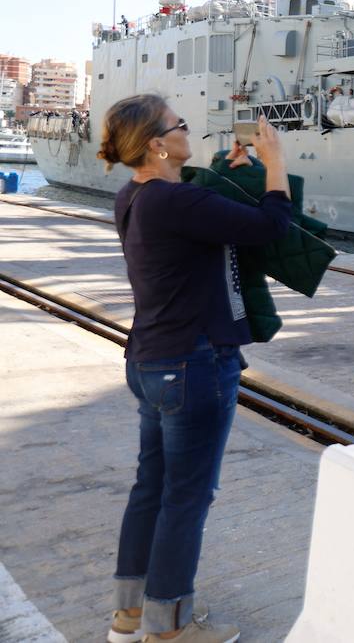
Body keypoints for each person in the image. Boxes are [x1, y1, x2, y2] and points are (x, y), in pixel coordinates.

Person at [100, 96, 292, 643]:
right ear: (158, 143)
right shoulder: (174, 202)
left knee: (152, 488)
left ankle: (130, 615)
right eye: (179, 125)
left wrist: (223, 175)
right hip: (193, 363)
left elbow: (194, 217)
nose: (189, 130)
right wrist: (273, 161)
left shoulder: (135, 197)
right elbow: (272, 226)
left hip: (152, 360)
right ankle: (171, 628)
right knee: (187, 497)